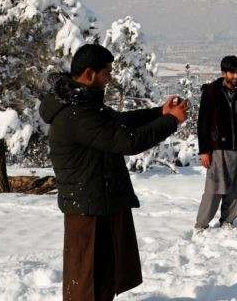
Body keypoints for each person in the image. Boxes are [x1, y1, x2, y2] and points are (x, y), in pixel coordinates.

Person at [39, 43, 188, 301]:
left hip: (99, 202)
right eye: (106, 72)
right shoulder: (77, 113)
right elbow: (126, 142)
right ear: (89, 74)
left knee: (103, 277)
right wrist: (171, 121)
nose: (110, 78)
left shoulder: (82, 103)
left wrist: (159, 113)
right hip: (88, 209)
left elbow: (118, 122)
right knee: (87, 284)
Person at [195, 55, 237, 232]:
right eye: (232, 73)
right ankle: (201, 225)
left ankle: (228, 221)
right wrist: (204, 150)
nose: (236, 76)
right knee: (214, 189)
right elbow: (203, 123)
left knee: (235, 187)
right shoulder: (211, 92)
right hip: (217, 149)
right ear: (223, 73)